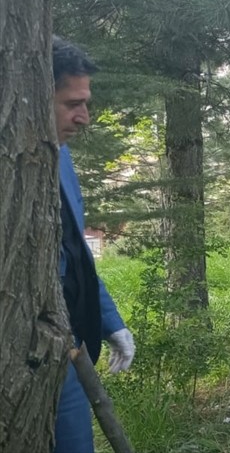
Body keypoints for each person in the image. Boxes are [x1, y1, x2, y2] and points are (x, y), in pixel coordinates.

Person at [52, 37, 136, 453]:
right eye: (73, 104)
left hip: (65, 347)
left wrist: (108, 321)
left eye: (86, 103)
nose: (84, 118)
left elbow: (74, 253)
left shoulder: (61, 154)